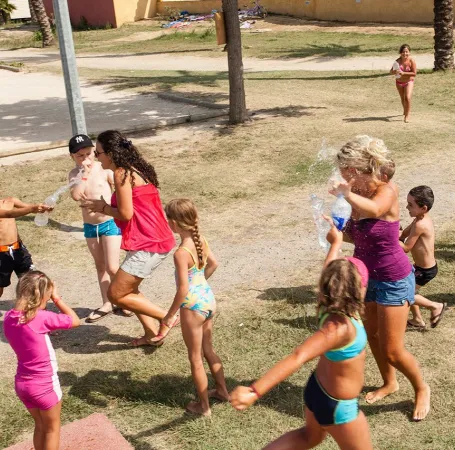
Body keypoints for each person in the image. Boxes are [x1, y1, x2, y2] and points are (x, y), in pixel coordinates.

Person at [230, 223, 373, 450]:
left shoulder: (327, 307)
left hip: (317, 390)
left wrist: (336, 244)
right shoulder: (340, 328)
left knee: (309, 438)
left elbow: (330, 274)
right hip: (339, 406)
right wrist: (254, 391)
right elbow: (298, 356)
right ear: (359, 289)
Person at [331, 135, 430, 420]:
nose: (343, 175)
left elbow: (375, 211)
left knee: (393, 349)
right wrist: (334, 231)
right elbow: (356, 234)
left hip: (392, 278)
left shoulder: (388, 190)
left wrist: (345, 195)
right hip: (366, 277)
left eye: (347, 170)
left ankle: (421, 388)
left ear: (362, 167)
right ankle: (390, 382)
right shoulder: (355, 195)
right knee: (372, 337)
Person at [81, 130, 176, 347]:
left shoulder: (121, 174)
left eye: (99, 152)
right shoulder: (135, 169)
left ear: (112, 154)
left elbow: (126, 213)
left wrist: (103, 207)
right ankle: (152, 335)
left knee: (116, 294)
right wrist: (103, 206)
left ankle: (167, 317)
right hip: (152, 238)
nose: (97, 157)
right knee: (127, 290)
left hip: (149, 242)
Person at [150, 198, 229, 415]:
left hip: (192, 306)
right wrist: (201, 283)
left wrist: (168, 315)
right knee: (208, 350)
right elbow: (214, 263)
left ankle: (203, 406)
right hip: (207, 298)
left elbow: (183, 289)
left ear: (174, 224)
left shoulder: (181, 253)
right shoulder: (200, 239)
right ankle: (222, 391)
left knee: (195, 357)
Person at [3, 271, 80, 450]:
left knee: (40, 426)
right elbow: (75, 320)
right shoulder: (41, 317)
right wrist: (57, 298)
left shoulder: (8, 317)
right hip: (44, 385)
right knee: (52, 430)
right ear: (43, 294)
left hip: (22, 384)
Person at [67, 134, 127, 323]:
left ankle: (125, 299)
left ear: (94, 151)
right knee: (100, 266)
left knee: (112, 266)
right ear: (72, 157)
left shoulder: (104, 169)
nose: (86, 159)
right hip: (90, 226)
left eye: (89, 154)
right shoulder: (74, 175)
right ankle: (107, 302)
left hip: (109, 222)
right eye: (80, 156)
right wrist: (84, 174)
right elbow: (77, 195)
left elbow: (119, 192)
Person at [399, 186, 447, 329]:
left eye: (410, 205)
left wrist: (388, 237)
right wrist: (396, 233)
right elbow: (403, 235)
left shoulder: (421, 224)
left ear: (423, 208)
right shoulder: (419, 219)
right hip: (419, 267)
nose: (407, 207)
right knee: (410, 288)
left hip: (426, 270)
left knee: (405, 292)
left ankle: (436, 306)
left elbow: (406, 248)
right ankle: (418, 320)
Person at [0, 196, 52, 305]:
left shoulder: (10, 200)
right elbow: (8, 214)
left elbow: (28, 207)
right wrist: (32, 209)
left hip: (18, 249)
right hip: (1, 254)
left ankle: (33, 310)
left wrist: (42, 208)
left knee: (32, 280)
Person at [390, 44, 417, 123]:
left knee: (407, 98)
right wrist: (395, 71)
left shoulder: (411, 61)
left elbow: (414, 73)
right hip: (399, 82)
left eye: (406, 52)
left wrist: (404, 73)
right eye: (403, 52)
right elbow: (391, 71)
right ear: (400, 53)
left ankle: (407, 116)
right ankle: (405, 110)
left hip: (409, 81)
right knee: (402, 98)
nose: (405, 54)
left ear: (409, 52)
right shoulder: (397, 61)